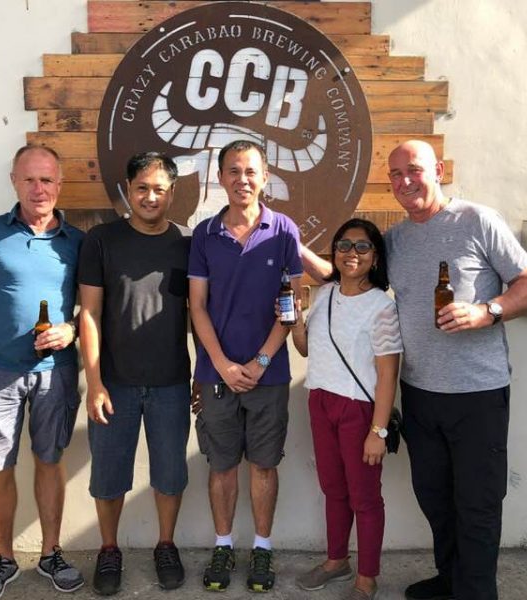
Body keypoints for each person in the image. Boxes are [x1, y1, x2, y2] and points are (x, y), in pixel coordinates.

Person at [302, 140, 527, 600]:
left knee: (477, 502)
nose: (404, 181)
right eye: (395, 174)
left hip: (477, 392)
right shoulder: (395, 241)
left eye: (413, 169)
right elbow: (346, 275)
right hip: (420, 392)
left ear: (438, 171)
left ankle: (475, 591)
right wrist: (291, 245)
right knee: (434, 496)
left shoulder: (478, 221)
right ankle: (450, 578)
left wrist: (487, 311)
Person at [0, 145, 85, 600]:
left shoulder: (77, 241)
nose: (38, 189)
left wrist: (70, 329)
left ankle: (51, 554)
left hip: (57, 371)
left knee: (50, 459)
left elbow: (91, 306)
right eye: (29, 179)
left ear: (59, 185)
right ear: (14, 181)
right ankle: (3, 559)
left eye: (47, 180)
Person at [188, 139, 304, 592]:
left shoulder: (284, 230)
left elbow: (290, 305)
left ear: (265, 176)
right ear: (220, 178)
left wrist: (260, 360)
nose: (243, 179)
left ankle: (262, 548)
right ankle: (222, 546)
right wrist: (221, 364)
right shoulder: (204, 234)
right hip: (216, 375)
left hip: (268, 375)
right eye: (234, 171)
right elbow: (197, 306)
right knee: (221, 465)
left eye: (251, 171)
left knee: (263, 465)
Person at [78, 152, 192, 595]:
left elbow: (199, 312)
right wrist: (94, 382)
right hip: (114, 384)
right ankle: (109, 550)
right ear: (128, 189)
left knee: (170, 474)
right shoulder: (101, 241)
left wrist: (203, 375)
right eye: (142, 188)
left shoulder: (186, 243)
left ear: (172, 193)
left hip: (171, 382)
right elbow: (89, 314)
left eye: (159, 189)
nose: (150, 197)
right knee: (108, 477)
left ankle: (166, 545)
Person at [290, 219, 402, 600]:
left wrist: (378, 431)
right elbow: (307, 349)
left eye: (362, 246)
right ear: (334, 252)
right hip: (320, 401)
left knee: (364, 498)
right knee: (333, 489)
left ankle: (367, 578)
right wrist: (295, 324)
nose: (352, 253)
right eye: (344, 245)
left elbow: (388, 375)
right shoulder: (324, 294)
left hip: (359, 411)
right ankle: (337, 560)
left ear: (375, 257)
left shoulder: (382, 307)